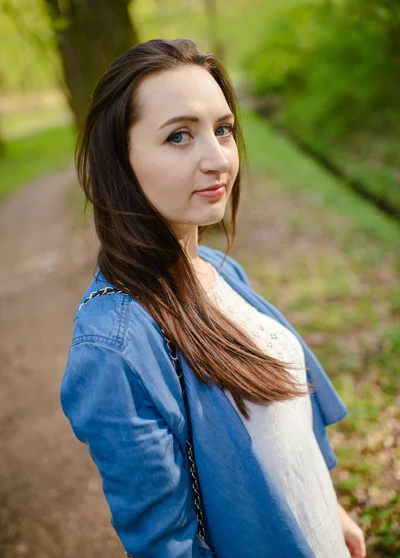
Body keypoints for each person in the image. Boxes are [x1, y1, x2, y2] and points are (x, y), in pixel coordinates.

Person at [60, 39, 366, 558]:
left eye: (222, 130)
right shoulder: (114, 349)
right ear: (119, 160)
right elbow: (167, 547)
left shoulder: (221, 272)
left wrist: (328, 510)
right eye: (179, 136)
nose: (218, 159)